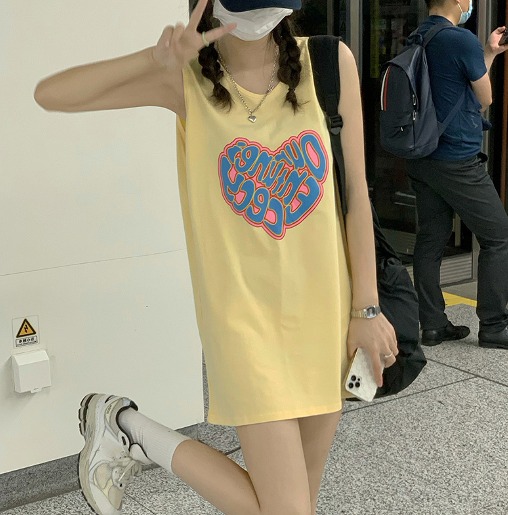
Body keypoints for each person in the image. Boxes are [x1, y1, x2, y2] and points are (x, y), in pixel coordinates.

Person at [34, 1, 398, 514]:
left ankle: (122, 427)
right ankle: (132, 431)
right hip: (244, 326)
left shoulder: (327, 61)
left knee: (294, 504)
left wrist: (366, 309)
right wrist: (152, 59)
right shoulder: (186, 80)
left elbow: (357, 195)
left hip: (326, 318)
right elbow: (51, 94)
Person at [406, 0, 508, 349]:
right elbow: (484, 98)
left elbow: (459, 89)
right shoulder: (460, 39)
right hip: (457, 159)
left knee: (430, 240)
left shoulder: (418, 36)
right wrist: (483, 54)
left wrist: (489, 53)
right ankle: (493, 326)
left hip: (422, 157)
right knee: (498, 237)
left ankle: (433, 325)